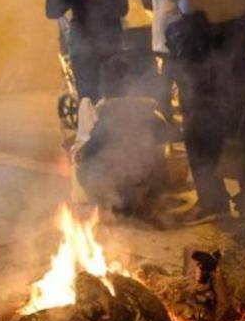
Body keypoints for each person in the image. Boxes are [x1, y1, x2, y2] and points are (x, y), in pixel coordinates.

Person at [165, 0, 245, 226]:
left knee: (242, 122)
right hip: (194, 36)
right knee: (196, 122)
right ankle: (210, 199)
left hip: (235, 36)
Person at [72, 53, 173, 218]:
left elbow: (90, 152)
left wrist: (80, 153)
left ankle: (109, 207)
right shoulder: (152, 112)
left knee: (84, 164)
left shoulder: (107, 115)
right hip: (149, 184)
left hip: (118, 190)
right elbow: (165, 142)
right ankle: (150, 204)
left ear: (105, 86)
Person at [46, 0, 129, 106]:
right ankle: (114, 126)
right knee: (116, 96)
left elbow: (52, 11)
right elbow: (123, 10)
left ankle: (89, 127)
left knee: (88, 99)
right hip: (112, 46)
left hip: (84, 51)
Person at [125, 0, 182, 123]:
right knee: (177, 71)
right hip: (178, 18)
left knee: (167, 71)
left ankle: (165, 117)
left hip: (161, 20)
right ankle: (169, 117)